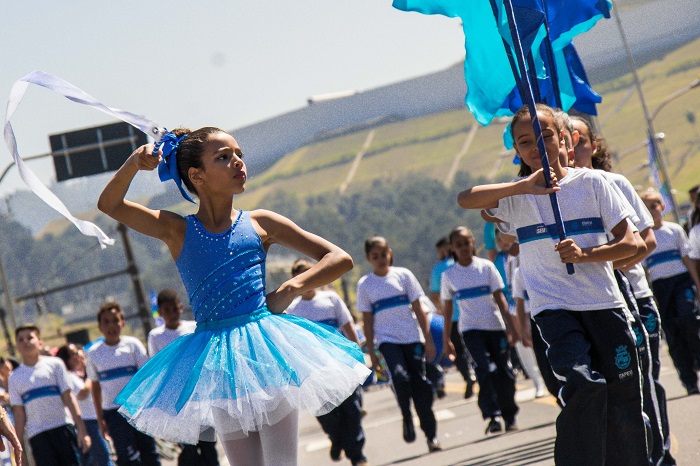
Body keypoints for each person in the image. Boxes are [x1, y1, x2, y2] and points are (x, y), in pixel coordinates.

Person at [98, 127, 370, 466]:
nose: (237, 162)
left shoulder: (261, 223)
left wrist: (288, 291)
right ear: (196, 175)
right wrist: (134, 163)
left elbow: (338, 258)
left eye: (238, 154)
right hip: (216, 361)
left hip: (268, 350)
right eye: (223, 157)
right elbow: (109, 204)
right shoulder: (177, 229)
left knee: (282, 462)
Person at [457, 103, 648, 465]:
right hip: (555, 310)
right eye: (525, 141)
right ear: (516, 150)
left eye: (544, 137)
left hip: (604, 305)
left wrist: (586, 254)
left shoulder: (593, 183)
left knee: (622, 400)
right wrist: (525, 186)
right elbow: (466, 199)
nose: (536, 147)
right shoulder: (515, 195)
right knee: (584, 385)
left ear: (565, 140)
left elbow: (633, 244)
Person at [572, 116, 676, 465]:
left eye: (580, 140)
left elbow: (645, 241)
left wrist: (605, 266)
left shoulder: (613, 182)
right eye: (566, 140)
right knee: (606, 390)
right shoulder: (557, 194)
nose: (574, 147)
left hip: (630, 297)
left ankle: (658, 457)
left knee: (642, 383)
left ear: (594, 145)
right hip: (586, 304)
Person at [356, 236, 441, 453]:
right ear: (368, 258)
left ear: (390, 253)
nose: (381, 259)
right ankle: (406, 415)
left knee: (421, 385)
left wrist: (428, 340)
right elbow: (367, 320)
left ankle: (431, 436)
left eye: (383, 254)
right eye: (375, 256)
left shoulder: (404, 276)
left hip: (412, 338)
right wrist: (373, 354)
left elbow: (420, 309)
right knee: (400, 377)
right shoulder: (365, 285)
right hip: (387, 342)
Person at [286, 259, 369, 466]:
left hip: (341, 364)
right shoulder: (292, 310)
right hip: (315, 372)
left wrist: (356, 355)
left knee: (352, 410)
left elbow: (348, 326)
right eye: (301, 275)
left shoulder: (331, 299)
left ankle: (357, 456)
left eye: (311, 273)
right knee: (328, 415)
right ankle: (336, 439)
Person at [440, 226, 519, 434]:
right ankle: (492, 416)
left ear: (473, 242)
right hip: (470, 331)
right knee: (484, 370)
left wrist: (511, 328)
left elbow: (501, 300)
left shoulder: (486, 267)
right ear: (452, 248)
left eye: (467, 243)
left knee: (504, 372)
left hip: (495, 327)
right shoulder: (449, 275)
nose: (464, 248)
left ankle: (509, 415)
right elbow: (447, 309)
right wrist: (447, 337)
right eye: (459, 245)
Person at [146, 289, 218, 466]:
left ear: (180, 307)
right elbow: (157, 367)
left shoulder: (193, 327)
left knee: (208, 444)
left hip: (200, 395)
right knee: (188, 448)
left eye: (174, 308)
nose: (171, 313)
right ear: (160, 312)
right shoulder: (155, 336)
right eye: (166, 310)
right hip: (177, 400)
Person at [641, 190, 700, 396]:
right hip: (661, 288)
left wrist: (697, 284)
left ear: (662, 207)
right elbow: (645, 270)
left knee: (688, 317)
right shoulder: (645, 237)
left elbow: (687, 259)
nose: (652, 211)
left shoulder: (674, 230)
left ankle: (697, 357)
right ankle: (689, 379)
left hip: (681, 282)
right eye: (646, 207)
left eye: (654, 206)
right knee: (673, 334)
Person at [86, 303, 160, 466]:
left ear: (122, 323)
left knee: (149, 453)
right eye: (106, 322)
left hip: (138, 409)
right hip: (114, 412)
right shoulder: (93, 353)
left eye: (115, 320)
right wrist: (100, 419)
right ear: (99, 326)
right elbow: (96, 387)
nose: (111, 325)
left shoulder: (133, 345)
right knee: (126, 456)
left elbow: (145, 377)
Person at [9, 325, 91, 466]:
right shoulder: (14, 377)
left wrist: (82, 431)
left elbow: (69, 398)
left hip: (63, 428)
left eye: (30, 337)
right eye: (21, 339)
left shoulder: (55, 365)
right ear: (17, 346)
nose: (26, 342)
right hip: (38, 436)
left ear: (40, 342)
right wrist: (19, 446)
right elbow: (19, 413)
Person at [429, 237, 476, 399]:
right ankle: (477, 372)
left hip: (452, 317)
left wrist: (441, 309)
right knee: (474, 346)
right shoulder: (463, 264)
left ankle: (467, 375)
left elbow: (434, 294)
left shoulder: (439, 269)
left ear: (445, 250)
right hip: (471, 312)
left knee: (456, 351)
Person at [57, 343, 114, 466]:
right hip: (87, 421)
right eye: (73, 355)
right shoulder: (68, 376)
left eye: (78, 353)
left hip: (94, 418)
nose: (77, 357)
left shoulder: (80, 375)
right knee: (102, 456)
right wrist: (92, 376)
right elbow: (82, 393)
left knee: (88, 459)